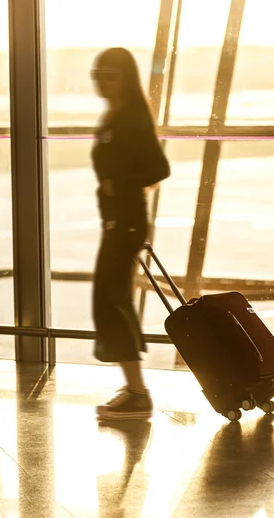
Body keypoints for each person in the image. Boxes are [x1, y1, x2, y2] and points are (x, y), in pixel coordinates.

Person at [91, 47, 170, 421]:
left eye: (110, 74)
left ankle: (138, 393)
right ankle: (135, 388)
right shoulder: (114, 116)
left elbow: (159, 167)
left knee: (112, 299)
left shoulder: (132, 118)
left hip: (128, 221)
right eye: (98, 74)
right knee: (109, 299)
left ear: (125, 77)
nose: (103, 81)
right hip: (117, 220)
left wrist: (116, 184)